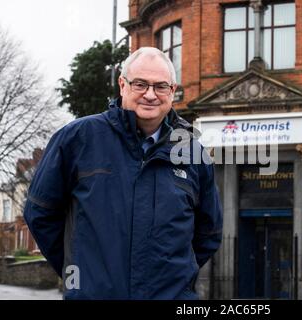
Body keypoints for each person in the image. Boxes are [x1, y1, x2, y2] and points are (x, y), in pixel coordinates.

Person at [24, 47, 223, 300]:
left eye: (161, 86)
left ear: (172, 91)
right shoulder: (77, 139)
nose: (150, 95)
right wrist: (82, 274)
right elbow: (40, 213)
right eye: (140, 84)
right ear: (122, 84)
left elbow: (209, 233)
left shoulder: (194, 154)